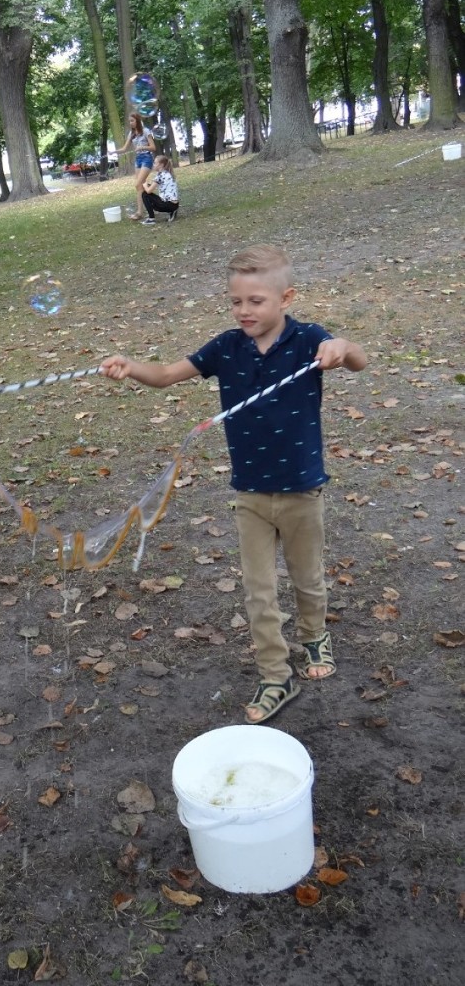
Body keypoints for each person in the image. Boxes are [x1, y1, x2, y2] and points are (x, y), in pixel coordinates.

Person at [100, 245, 367, 724]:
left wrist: (341, 346)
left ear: (286, 297)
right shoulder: (225, 347)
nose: (244, 311)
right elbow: (165, 375)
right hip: (250, 495)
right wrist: (131, 366)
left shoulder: (309, 340)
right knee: (259, 590)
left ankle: (314, 634)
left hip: (302, 490)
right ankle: (275, 675)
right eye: (236, 301)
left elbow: (358, 360)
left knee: (307, 578)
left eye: (256, 301)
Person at [119, 113, 156, 220]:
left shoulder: (146, 131)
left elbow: (153, 147)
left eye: (132, 121)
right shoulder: (132, 134)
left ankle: (152, 199)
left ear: (137, 121)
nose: (130, 123)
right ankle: (140, 212)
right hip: (138, 160)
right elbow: (124, 148)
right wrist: (113, 151)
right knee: (140, 187)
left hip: (147, 158)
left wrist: (142, 147)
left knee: (138, 184)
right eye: (129, 121)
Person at [141, 155, 179, 225]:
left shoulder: (160, 175)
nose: (153, 164)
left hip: (168, 205)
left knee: (145, 194)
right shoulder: (168, 173)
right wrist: (148, 186)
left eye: (155, 163)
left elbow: (149, 191)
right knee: (148, 194)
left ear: (161, 165)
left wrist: (144, 184)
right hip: (174, 204)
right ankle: (172, 211)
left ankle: (151, 218)